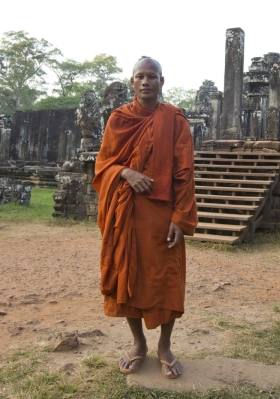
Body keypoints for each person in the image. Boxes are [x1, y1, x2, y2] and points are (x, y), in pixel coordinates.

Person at [93, 56, 198, 379]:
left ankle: (164, 346)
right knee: (129, 276)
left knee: (166, 280)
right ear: (132, 82)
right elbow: (103, 165)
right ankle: (138, 343)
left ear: (161, 82)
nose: (146, 82)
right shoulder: (119, 119)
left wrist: (180, 218)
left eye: (152, 76)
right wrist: (126, 172)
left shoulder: (175, 120)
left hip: (163, 217)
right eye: (140, 77)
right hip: (126, 215)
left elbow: (184, 172)